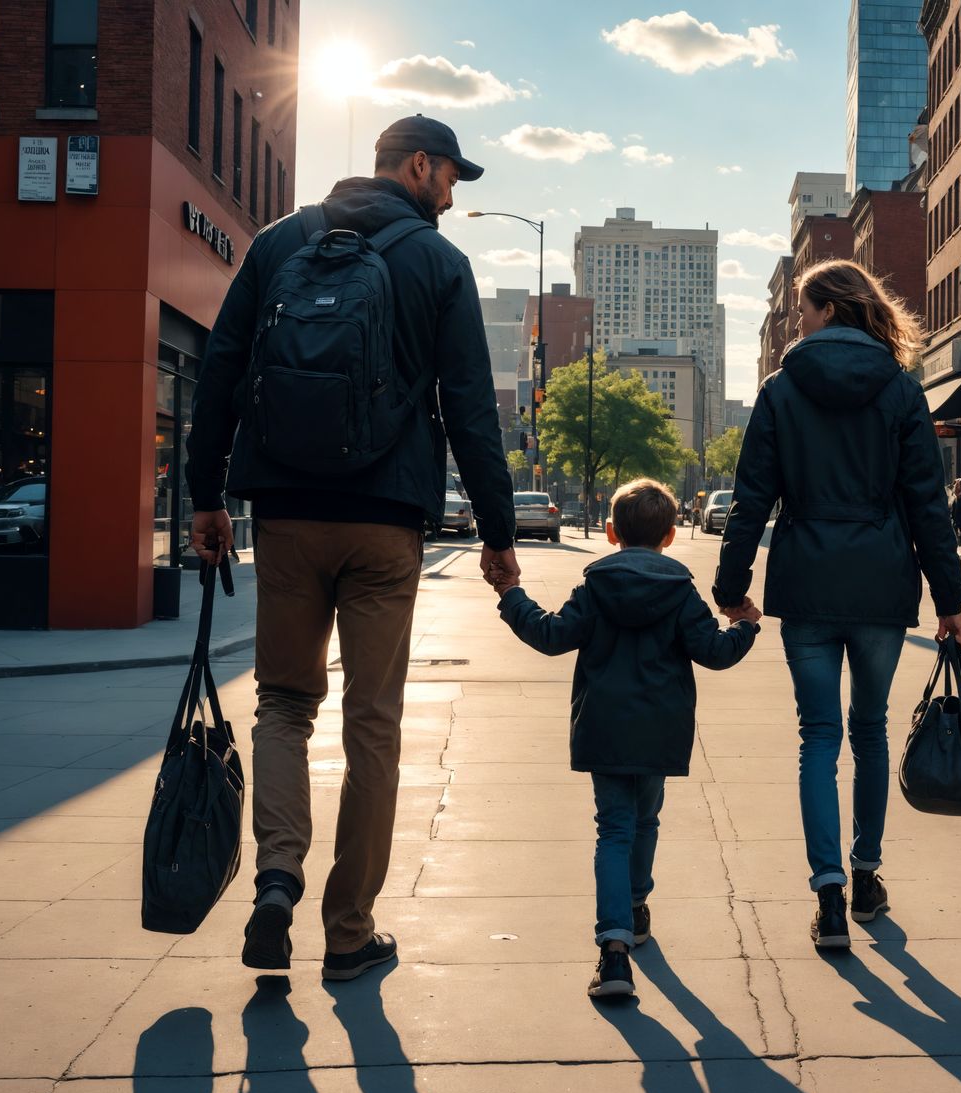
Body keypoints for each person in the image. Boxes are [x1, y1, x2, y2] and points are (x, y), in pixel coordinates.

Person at [187, 114, 518, 983]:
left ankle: (275, 878)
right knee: (373, 721)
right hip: (385, 518)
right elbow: (471, 411)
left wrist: (205, 498)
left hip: (286, 512)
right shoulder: (439, 264)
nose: (451, 194)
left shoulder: (277, 243)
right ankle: (347, 929)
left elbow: (221, 368)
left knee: (285, 706)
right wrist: (496, 536)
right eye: (450, 177)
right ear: (417, 165)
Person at [712, 257, 961, 950]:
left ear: (831, 307)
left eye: (803, 307)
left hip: (808, 585)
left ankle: (827, 892)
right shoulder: (899, 390)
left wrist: (730, 586)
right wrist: (950, 597)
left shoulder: (780, 390)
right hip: (882, 585)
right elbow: (926, 504)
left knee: (818, 737)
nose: (798, 318)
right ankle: (866, 874)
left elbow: (752, 499)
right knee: (871, 730)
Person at [494, 479, 761, 997]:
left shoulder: (595, 587)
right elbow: (714, 652)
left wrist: (511, 596)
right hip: (661, 730)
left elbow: (550, 635)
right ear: (671, 535)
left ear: (612, 532)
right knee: (646, 819)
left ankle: (613, 951)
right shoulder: (680, 592)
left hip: (605, 727)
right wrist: (745, 625)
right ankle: (637, 904)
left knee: (613, 829)